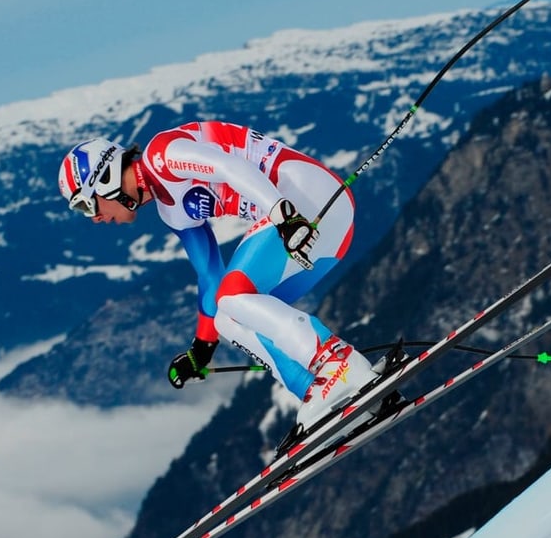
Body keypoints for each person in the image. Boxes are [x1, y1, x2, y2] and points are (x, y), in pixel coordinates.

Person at [57, 121, 376, 434]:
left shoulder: (162, 155)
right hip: (308, 227)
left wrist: (282, 214)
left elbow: (228, 167)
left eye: (87, 206)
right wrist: (201, 349)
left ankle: (337, 362)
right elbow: (209, 274)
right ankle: (322, 391)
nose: (95, 218)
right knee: (229, 318)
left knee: (232, 296)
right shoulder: (172, 212)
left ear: (104, 179)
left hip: (309, 199)